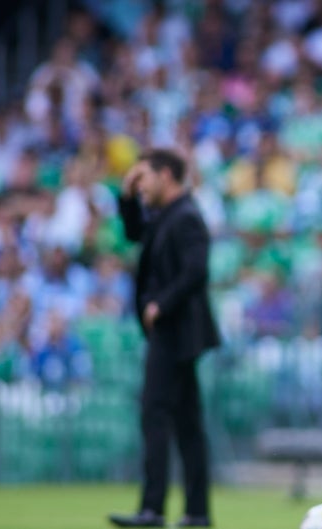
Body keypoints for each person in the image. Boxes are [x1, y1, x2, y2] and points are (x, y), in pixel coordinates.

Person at [108, 149, 220, 528]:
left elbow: (196, 271)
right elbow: (132, 231)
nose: (141, 187)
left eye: (144, 178)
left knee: (155, 412)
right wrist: (125, 196)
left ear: (166, 175)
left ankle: (152, 509)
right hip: (176, 332)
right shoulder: (167, 215)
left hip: (175, 330)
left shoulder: (186, 216)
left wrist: (160, 304)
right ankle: (197, 512)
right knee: (187, 422)